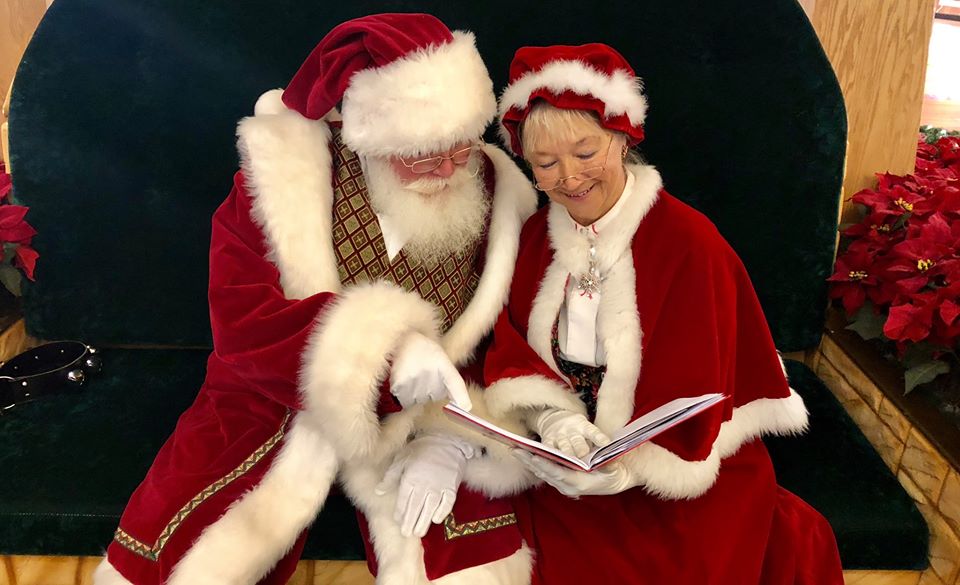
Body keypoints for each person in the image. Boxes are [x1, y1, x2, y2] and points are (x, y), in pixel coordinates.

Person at [93, 14, 538, 585]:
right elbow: (241, 320)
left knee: (468, 568)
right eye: (426, 153)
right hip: (274, 402)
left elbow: (510, 335)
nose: (451, 168)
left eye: (462, 145)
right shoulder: (286, 174)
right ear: (372, 136)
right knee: (190, 556)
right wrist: (382, 352)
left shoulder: (500, 192)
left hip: (428, 419)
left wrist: (454, 444)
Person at [480, 43, 845, 584]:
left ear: (622, 139)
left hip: (674, 465)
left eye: (585, 152)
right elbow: (510, 347)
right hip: (562, 457)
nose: (569, 178)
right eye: (545, 163)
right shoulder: (534, 238)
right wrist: (553, 419)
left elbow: (703, 384)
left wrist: (626, 470)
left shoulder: (691, 242)